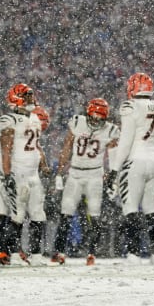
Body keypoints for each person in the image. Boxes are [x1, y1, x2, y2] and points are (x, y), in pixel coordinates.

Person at [50, 97, 120, 266]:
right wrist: (59, 172)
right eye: (94, 116)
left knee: (94, 215)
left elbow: (114, 157)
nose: (96, 120)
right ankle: (60, 252)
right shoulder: (77, 122)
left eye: (100, 118)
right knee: (65, 213)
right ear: (88, 114)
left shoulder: (110, 131)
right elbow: (67, 147)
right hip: (74, 173)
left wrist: (113, 179)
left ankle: (91, 254)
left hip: (95, 176)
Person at [108, 72, 154, 265]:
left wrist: (114, 169)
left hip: (136, 159)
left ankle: (133, 254)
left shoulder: (130, 106)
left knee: (130, 207)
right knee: (152, 208)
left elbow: (125, 141)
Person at [0, 83, 47, 266]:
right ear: (17, 99)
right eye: (27, 96)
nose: (31, 99)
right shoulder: (9, 119)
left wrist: (43, 164)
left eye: (31, 95)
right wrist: (7, 175)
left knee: (38, 213)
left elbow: (36, 145)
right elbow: (6, 148)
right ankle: (12, 254)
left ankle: (36, 255)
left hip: (32, 173)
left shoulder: (35, 118)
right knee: (17, 214)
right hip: (18, 171)